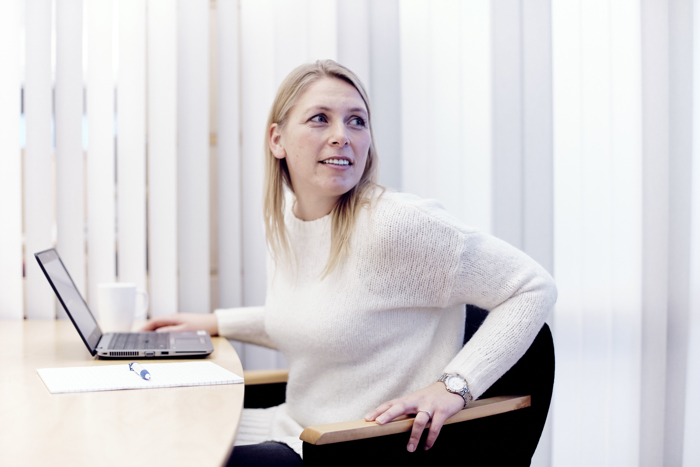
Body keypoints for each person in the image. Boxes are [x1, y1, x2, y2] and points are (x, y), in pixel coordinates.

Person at [142, 60, 557, 466]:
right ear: (277, 140)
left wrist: (455, 386)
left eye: (356, 121)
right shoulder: (293, 223)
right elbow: (322, 318)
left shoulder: (394, 224)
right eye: (320, 119)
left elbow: (532, 286)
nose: (342, 135)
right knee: (149, 432)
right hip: (292, 426)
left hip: (351, 445)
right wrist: (216, 322)